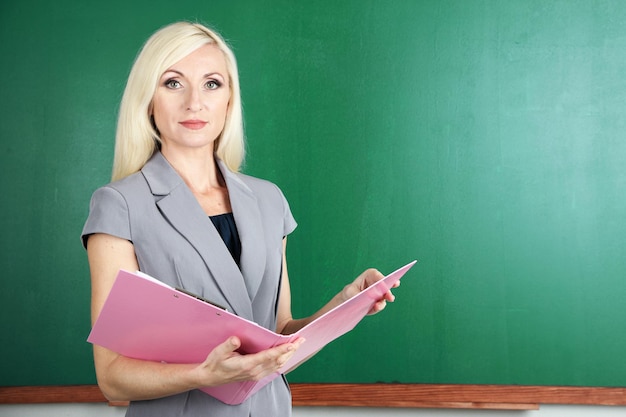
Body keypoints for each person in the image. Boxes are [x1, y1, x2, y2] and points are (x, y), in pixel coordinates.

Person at [81, 21, 398, 417]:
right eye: (173, 83)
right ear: (148, 99)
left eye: (212, 83)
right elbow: (112, 377)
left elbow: (278, 338)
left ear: (230, 98)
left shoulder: (269, 200)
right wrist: (205, 373)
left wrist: (344, 306)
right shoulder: (119, 205)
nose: (194, 102)